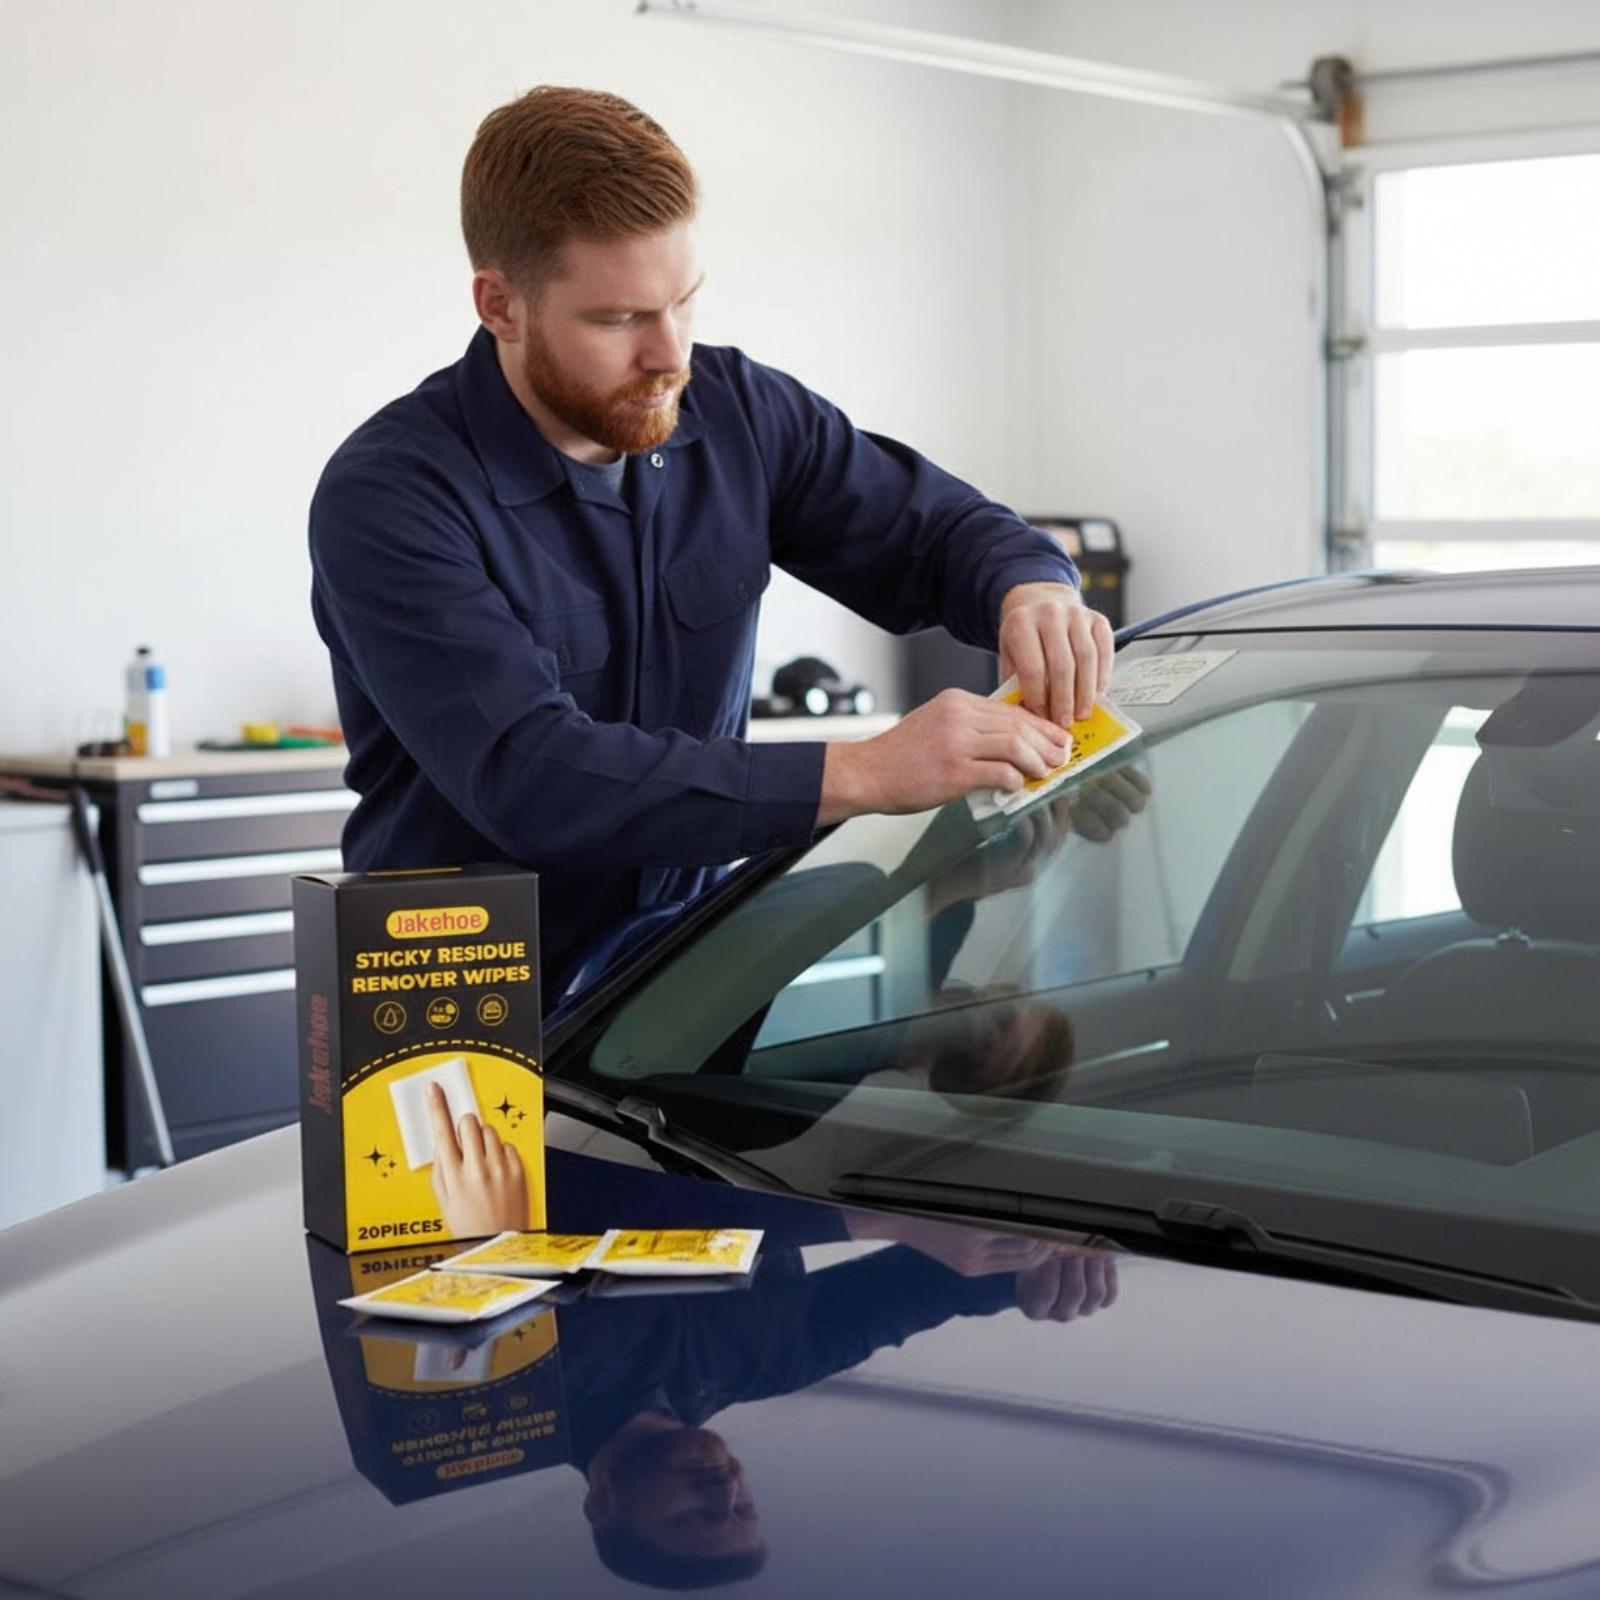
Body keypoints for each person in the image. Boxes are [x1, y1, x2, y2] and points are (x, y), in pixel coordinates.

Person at [309, 86, 1115, 1004]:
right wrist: (864, 770)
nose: (669, 355)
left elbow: (933, 532)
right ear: (501, 305)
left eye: (684, 302)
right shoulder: (393, 494)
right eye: (618, 319)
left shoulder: (740, 414)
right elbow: (528, 773)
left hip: (676, 980)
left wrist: (1031, 589)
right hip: (452, 992)